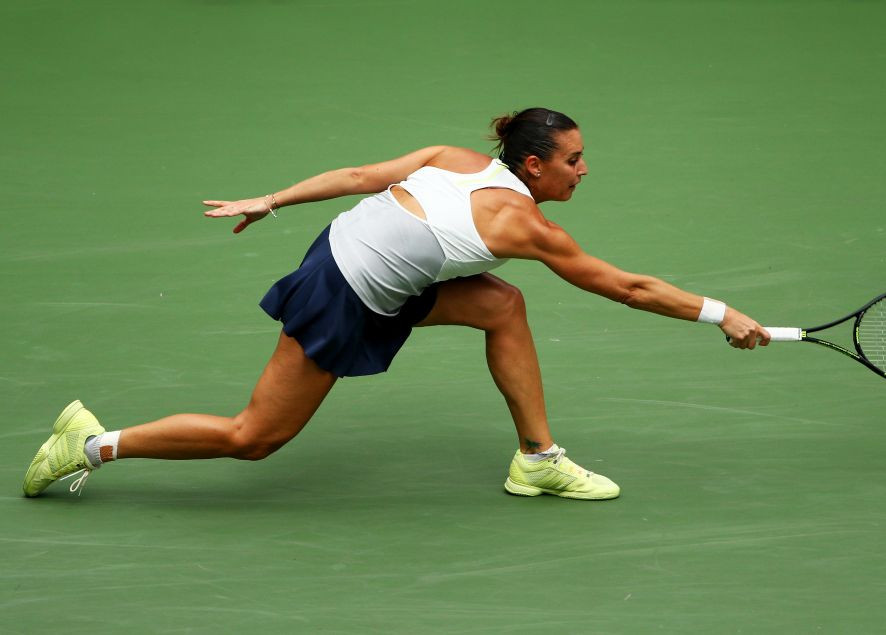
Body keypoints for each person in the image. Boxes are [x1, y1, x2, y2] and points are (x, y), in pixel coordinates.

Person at [22, 108, 770, 501]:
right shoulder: (523, 226)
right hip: (344, 290)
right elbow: (629, 287)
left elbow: (356, 175)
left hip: (363, 260)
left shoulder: (455, 158)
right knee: (255, 436)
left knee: (501, 306)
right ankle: (89, 444)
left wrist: (274, 199)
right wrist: (722, 313)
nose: (584, 169)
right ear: (534, 164)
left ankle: (538, 459)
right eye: (574, 159)